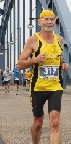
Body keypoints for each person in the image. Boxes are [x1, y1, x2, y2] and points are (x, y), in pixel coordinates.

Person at [16, 10, 69, 144]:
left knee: (55, 122)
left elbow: (59, 57)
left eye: (52, 19)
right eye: (46, 19)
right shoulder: (33, 40)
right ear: (40, 22)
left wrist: (63, 64)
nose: (49, 22)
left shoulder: (59, 39)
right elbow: (19, 64)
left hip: (55, 86)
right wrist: (35, 60)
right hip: (38, 87)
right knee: (38, 122)